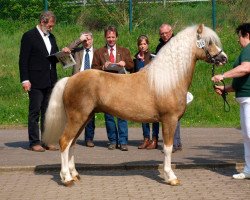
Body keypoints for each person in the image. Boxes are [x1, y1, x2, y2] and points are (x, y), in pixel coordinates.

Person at [212, 23, 250, 180]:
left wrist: (223, 75)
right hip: (244, 99)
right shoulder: (245, 51)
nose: (238, 40)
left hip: (249, 99)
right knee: (247, 136)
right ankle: (248, 169)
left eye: (239, 36)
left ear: (246, 35)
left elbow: (246, 68)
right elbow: (242, 80)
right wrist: (225, 88)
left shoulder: (249, 50)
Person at [19, 11, 59, 152]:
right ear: (42, 22)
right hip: (35, 81)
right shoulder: (29, 36)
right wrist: (25, 80)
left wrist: (64, 54)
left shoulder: (51, 37)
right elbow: (23, 60)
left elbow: (54, 56)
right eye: (50, 25)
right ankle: (34, 142)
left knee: (48, 113)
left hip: (50, 80)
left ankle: (47, 141)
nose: (51, 28)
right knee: (35, 112)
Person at [92, 25, 134, 151]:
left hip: (121, 87)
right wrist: (103, 67)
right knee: (109, 116)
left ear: (117, 37)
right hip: (106, 88)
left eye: (113, 37)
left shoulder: (124, 51)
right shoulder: (99, 52)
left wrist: (125, 63)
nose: (111, 39)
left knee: (122, 115)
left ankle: (123, 141)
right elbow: (93, 68)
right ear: (105, 37)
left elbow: (132, 65)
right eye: (109, 37)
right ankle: (112, 141)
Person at [62, 32, 96, 148]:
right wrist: (78, 40)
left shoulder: (97, 52)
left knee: (90, 112)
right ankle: (72, 137)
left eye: (89, 39)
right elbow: (65, 52)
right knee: (74, 114)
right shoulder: (77, 51)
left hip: (92, 86)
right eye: (85, 40)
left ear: (92, 40)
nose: (87, 42)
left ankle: (89, 138)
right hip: (77, 85)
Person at [133, 35, 159, 149]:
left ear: (147, 44)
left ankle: (154, 139)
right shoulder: (136, 58)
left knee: (155, 116)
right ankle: (146, 139)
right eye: (140, 44)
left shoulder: (153, 56)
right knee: (143, 116)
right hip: (141, 91)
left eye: (144, 44)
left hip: (153, 90)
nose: (142, 46)